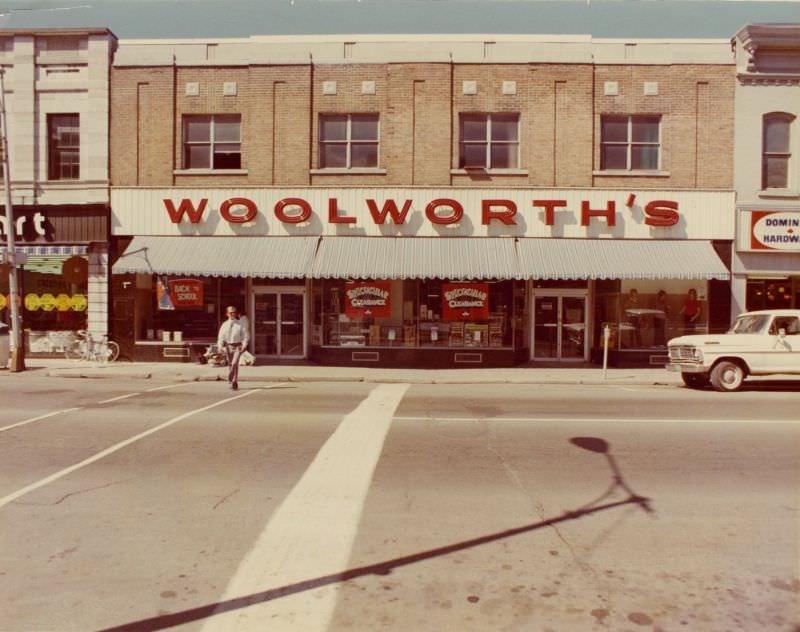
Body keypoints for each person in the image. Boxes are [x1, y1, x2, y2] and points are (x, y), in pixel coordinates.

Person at [217, 305, 249, 390]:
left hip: (238, 346)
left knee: (235, 363)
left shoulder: (240, 324)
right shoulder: (224, 324)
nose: (233, 314)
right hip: (228, 346)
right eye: (231, 312)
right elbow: (221, 337)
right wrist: (220, 346)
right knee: (231, 364)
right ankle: (234, 382)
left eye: (234, 312)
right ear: (227, 314)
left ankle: (230, 376)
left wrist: (244, 345)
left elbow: (245, 336)